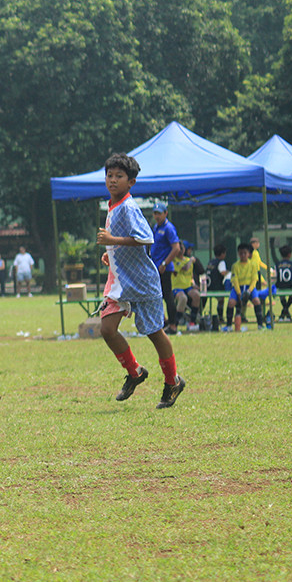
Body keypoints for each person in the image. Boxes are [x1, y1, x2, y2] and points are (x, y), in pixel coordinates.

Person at [95, 153, 185, 409]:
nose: (113, 180)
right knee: (107, 329)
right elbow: (125, 241)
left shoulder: (128, 207)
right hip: (121, 283)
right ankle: (135, 372)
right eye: (109, 175)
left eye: (119, 176)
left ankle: (172, 381)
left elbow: (146, 238)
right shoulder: (113, 204)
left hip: (143, 283)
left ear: (131, 182)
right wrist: (110, 253)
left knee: (154, 333)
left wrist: (113, 242)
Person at [149, 202, 182, 335]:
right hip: (155, 268)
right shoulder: (156, 227)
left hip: (164, 269)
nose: (157, 216)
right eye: (155, 213)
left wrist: (164, 263)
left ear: (165, 213)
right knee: (156, 297)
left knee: (168, 296)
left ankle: (173, 326)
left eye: (159, 213)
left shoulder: (169, 228)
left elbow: (176, 248)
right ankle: (163, 323)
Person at [225, 242, 270, 331]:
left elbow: (254, 280)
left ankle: (260, 325)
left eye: (245, 253)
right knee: (231, 303)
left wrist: (249, 291)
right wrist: (238, 293)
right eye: (241, 253)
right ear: (238, 254)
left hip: (250, 288)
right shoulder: (235, 266)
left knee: (256, 301)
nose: (243, 255)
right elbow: (235, 280)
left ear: (249, 254)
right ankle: (229, 326)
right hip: (239, 288)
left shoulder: (253, 265)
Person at [170, 241, 201, 330]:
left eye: (182, 248)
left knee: (196, 295)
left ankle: (192, 322)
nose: (181, 250)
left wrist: (194, 284)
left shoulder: (187, 260)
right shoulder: (174, 261)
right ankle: (175, 323)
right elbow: (185, 268)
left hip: (188, 287)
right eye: (179, 248)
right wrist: (191, 260)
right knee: (183, 298)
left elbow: (190, 275)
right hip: (177, 287)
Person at [275, 244, 292, 322]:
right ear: (289, 254)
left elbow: (277, 277)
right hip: (291, 286)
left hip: (280, 286)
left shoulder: (277, 265)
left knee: (282, 296)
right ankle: (285, 313)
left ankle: (284, 314)